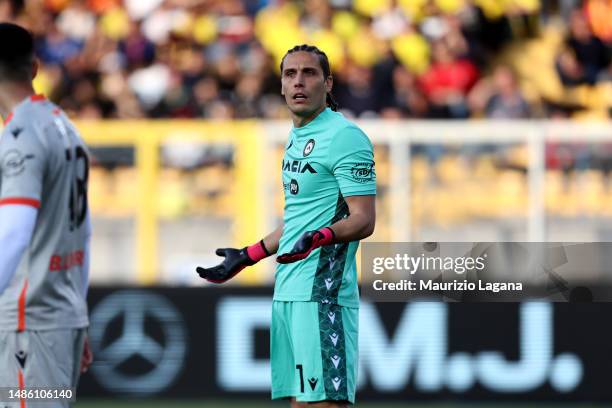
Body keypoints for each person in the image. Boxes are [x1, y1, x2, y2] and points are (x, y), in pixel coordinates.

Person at [196, 44, 376, 407]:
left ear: (327, 84)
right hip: (289, 292)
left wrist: (321, 237)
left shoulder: (344, 137)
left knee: (324, 403)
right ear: (280, 85)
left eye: (309, 73)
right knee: (301, 402)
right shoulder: (296, 137)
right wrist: (248, 256)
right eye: (290, 74)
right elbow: (299, 222)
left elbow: (363, 219)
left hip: (322, 295)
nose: (298, 82)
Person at [0, 23, 92, 407]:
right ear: (35, 68)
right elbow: (82, 233)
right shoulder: (65, 127)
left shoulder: (21, 136)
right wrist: (80, 315)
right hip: (62, 319)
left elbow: (15, 232)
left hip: (28, 323)